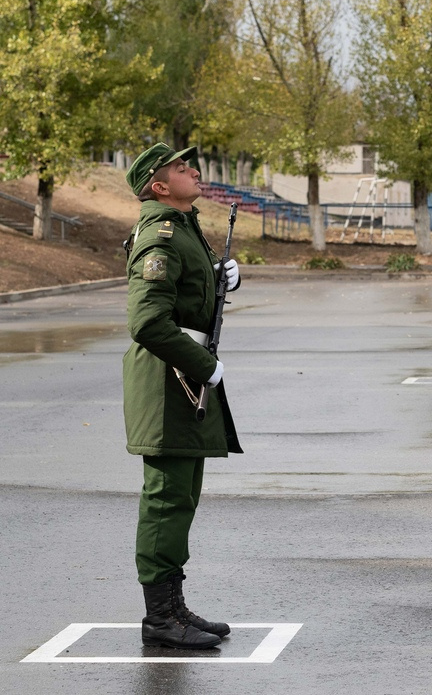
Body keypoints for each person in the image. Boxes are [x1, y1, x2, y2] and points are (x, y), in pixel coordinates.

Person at [123, 143, 241, 650]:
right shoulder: (161, 234)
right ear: (158, 185)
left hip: (184, 378)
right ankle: (160, 619)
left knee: (183, 496)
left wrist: (221, 277)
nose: (193, 169)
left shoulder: (186, 225)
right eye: (179, 167)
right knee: (167, 500)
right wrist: (206, 366)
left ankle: (173, 605)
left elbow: (188, 293)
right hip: (170, 380)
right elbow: (148, 321)